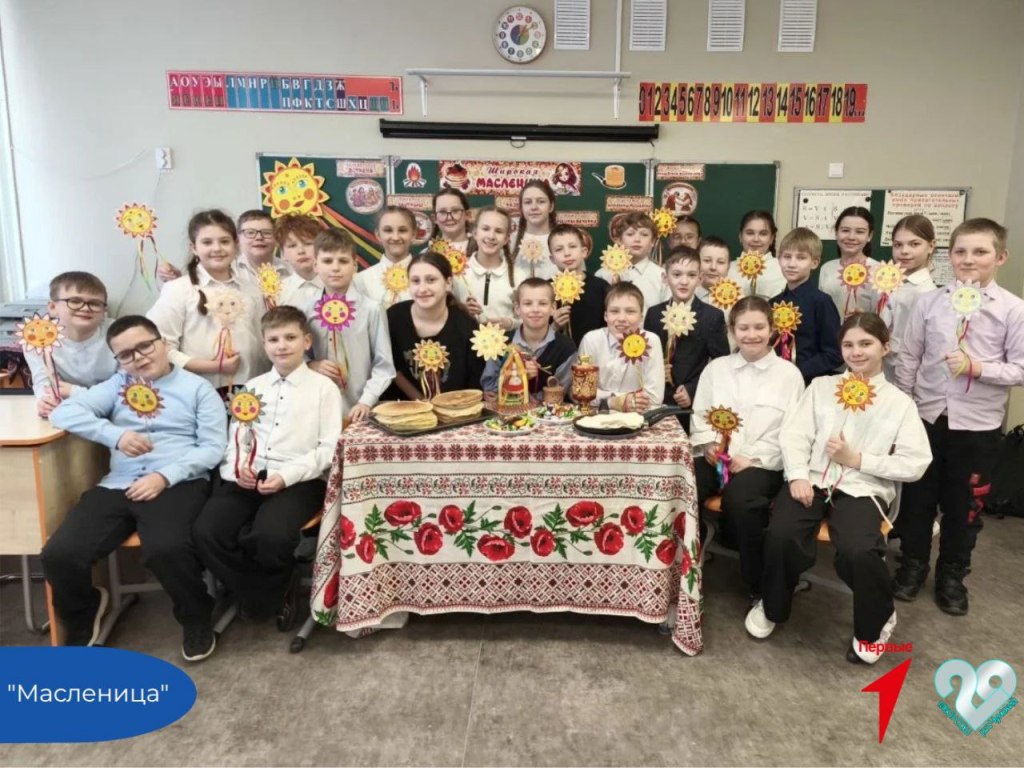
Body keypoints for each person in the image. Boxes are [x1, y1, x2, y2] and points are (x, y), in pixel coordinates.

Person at [745, 312, 931, 664]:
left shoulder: (900, 403)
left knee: (859, 549)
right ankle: (773, 603)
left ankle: (877, 620)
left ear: (885, 347)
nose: (856, 352)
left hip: (863, 488)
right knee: (782, 534)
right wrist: (797, 475)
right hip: (812, 480)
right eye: (848, 344)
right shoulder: (821, 387)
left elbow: (916, 462)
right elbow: (795, 434)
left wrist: (858, 460)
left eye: (866, 343)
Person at [41, 315, 227, 661]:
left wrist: (165, 476)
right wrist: (116, 435)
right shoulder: (116, 386)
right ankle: (85, 611)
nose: (138, 358)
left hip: (178, 481)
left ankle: (196, 616)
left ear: (164, 344)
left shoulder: (197, 389)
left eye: (145, 346)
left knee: (167, 548)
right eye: (126, 354)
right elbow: (63, 414)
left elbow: (213, 447)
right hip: (119, 483)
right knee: (59, 554)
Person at [893, 218, 1024, 615]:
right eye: (961, 251)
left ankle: (952, 574)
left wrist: (978, 368)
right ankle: (913, 565)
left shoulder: (1013, 309)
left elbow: (1020, 368)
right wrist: (906, 407)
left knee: (964, 505)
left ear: (1000, 257)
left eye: (980, 252)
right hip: (928, 418)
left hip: (978, 427)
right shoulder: (930, 303)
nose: (969, 259)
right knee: (918, 499)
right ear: (949, 255)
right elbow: (910, 356)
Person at [193, 306, 342, 623]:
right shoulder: (253, 388)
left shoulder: (323, 388)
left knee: (270, 536)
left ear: (306, 341)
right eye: (274, 340)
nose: (282, 346)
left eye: (290, 338)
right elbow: (238, 439)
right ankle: (267, 589)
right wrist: (239, 469)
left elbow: (329, 448)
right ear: (264, 345)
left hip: (300, 481)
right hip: (248, 478)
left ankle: (262, 591)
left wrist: (286, 476)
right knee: (208, 532)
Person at [691, 296, 804, 599]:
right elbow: (700, 414)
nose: (751, 335)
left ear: (772, 329)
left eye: (759, 327)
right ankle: (684, 567)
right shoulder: (716, 369)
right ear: (732, 330)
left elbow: (792, 431)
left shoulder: (789, 375)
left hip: (762, 462)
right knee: (685, 487)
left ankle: (759, 584)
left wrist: (753, 457)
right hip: (715, 456)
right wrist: (708, 444)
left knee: (741, 500)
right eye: (743, 328)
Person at [146, 210, 267, 395]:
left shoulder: (252, 289)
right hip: (199, 392)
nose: (217, 248)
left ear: (236, 244)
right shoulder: (179, 289)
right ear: (194, 247)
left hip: (250, 391)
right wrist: (211, 367)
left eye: (224, 241)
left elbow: (261, 341)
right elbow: (159, 345)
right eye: (207, 242)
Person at [305, 228, 395, 423]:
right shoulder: (306, 310)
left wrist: (366, 401)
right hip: (317, 407)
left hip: (361, 408)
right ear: (315, 265)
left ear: (354, 265)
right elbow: (298, 355)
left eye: (343, 261)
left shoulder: (371, 309)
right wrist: (311, 364)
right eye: (327, 261)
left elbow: (384, 365)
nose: (335, 268)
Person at [644, 246, 729, 424]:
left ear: (700, 279)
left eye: (691, 275)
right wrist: (657, 369)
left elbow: (721, 364)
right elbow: (645, 357)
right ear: (665, 278)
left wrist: (692, 389)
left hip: (691, 404)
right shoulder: (653, 314)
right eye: (677, 274)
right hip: (656, 401)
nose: (684, 281)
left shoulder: (712, 316)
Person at [385, 252, 483, 400]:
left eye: (431, 280)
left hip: (455, 406)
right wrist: (423, 402)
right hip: (403, 407)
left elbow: (473, 383)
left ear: (448, 283)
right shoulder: (393, 318)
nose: (422, 288)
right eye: (415, 281)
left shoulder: (466, 326)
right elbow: (390, 368)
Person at [28, 271, 116, 418]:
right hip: (70, 412)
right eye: (75, 301)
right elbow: (43, 382)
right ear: (52, 307)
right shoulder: (38, 337)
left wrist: (75, 392)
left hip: (113, 413)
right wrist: (46, 401)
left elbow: (124, 390)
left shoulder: (120, 334)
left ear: (104, 310)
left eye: (95, 303)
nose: (85, 308)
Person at [576, 282, 665, 413]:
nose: (622, 318)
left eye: (630, 311)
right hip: (599, 414)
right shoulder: (591, 340)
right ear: (605, 316)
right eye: (614, 311)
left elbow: (654, 397)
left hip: (638, 415)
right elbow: (581, 392)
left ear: (641, 317)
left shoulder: (651, 341)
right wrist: (616, 401)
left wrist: (603, 396)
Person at [770, 228, 843, 384]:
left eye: (801, 258)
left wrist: (797, 371)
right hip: (774, 381)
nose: (792, 264)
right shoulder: (773, 303)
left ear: (814, 263)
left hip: (809, 382)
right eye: (787, 257)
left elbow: (834, 354)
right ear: (779, 259)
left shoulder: (821, 302)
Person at [481, 278, 575, 396]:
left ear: (553, 308)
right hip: (506, 408)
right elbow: (490, 389)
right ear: (517, 309)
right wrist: (519, 377)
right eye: (528, 304)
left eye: (542, 303)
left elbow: (559, 393)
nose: (535, 310)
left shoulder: (566, 348)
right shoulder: (500, 343)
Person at [881, 215, 938, 382]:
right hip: (882, 368)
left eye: (914, 244)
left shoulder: (927, 292)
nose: (904, 251)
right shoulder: (892, 283)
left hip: (905, 374)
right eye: (898, 245)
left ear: (931, 246)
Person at [454, 207, 527, 331]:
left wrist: (510, 323)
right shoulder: (457, 273)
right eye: (485, 229)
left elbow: (529, 319)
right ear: (475, 233)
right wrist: (463, 312)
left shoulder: (519, 276)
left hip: (506, 342)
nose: (491, 236)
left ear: (506, 239)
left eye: (498, 231)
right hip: (463, 341)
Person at [595, 212, 669, 312]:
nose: (637, 239)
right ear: (619, 240)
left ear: (652, 242)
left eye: (644, 234)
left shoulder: (662, 277)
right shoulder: (602, 275)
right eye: (630, 234)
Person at [548, 223, 608, 342]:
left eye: (572, 246)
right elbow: (536, 338)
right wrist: (554, 326)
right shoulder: (545, 290)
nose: (567, 253)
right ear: (552, 259)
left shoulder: (601, 287)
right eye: (559, 249)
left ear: (584, 251)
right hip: (556, 352)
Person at [819, 207, 879, 319]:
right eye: (845, 230)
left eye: (860, 232)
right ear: (836, 233)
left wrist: (865, 319)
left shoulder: (879, 271)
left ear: (869, 236)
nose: (851, 237)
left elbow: (883, 314)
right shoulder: (827, 268)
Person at [354, 206, 417, 307]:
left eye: (402, 230)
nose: (395, 237)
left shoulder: (427, 278)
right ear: (378, 235)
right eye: (388, 230)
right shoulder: (362, 280)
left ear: (413, 235)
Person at [728, 210, 787, 298]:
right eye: (750, 233)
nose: (756, 239)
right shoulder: (727, 269)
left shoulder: (784, 269)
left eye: (763, 234)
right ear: (740, 237)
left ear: (771, 238)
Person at [276, 214, 325, 310]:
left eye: (308, 243)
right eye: (292, 246)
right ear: (282, 254)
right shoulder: (279, 292)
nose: (301, 251)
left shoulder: (339, 283)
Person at [511, 180, 558, 280]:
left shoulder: (565, 240)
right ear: (521, 208)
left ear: (551, 206)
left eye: (541, 201)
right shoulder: (510, 241)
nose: (534, 207)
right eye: (528, 202)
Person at [429, 188, 472, 252]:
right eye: (442, 212)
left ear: (467, 215)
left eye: (455, 211)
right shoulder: (426, 254)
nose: (449, 217)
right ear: (434, 218)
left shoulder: (481, 251)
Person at [696, 236, 731, 304]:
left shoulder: (737, 301)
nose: (713, 267)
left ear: (728, 267)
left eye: (720, 262)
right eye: (707, 260)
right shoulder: (683, 296)